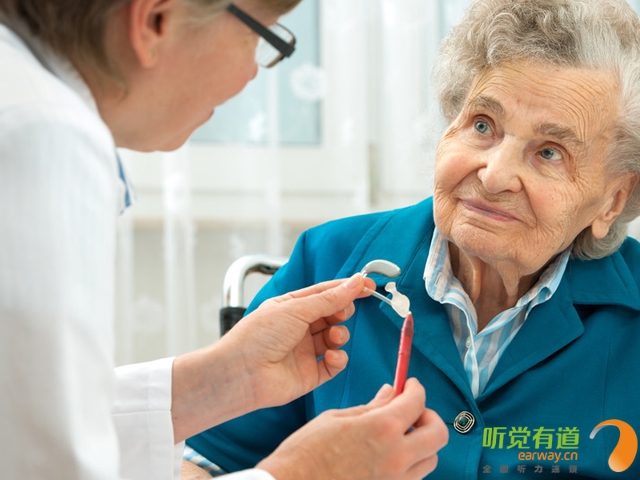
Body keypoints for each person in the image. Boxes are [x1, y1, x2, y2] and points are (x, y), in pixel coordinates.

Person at [187, 0, 640, 478]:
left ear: (612, 200)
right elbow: (207, 462)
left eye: (549, 152)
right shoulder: (328, 261)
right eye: (482, 125)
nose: (494, 175)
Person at [0, 0, 449, 479]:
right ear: (155, 21)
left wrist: (222, 379)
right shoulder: (40, 136)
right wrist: (307, 472)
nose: (254, 72)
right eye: (260, 36)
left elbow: (29, 422)